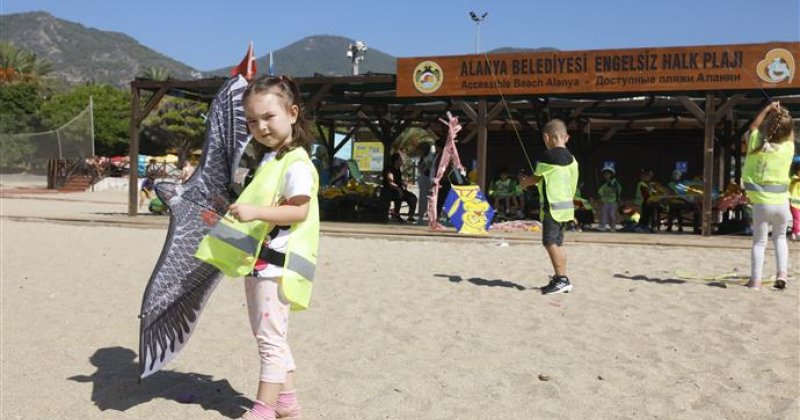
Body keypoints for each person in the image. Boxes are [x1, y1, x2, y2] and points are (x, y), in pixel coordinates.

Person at [225, 75, 320, 419]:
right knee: (270, 334)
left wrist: (254, 212)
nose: (260, 127)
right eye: (252, 120)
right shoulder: (270, 159)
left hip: (277, 265)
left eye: (268, 117)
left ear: (292, 113)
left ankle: (263, 409)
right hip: (260, 262)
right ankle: (287, 402)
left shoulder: (296, 163)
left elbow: (299, 209)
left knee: (269, 340)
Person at [518, 119, 579, 295]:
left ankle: (562, 280)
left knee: (550, 242)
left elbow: (535, 179)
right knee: (558, 243)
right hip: (567, 208)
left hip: (552, 208)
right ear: (566, 137)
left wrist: (523, 183)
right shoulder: (573, 160)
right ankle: (561, 277)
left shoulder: (547, 157)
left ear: (546, 137)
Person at [742, 101, 795, 290]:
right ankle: (782, 274)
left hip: (762, 203)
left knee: (759, 242)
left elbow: (753, 126)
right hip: (782, 203)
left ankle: (755, 281)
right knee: (780, 239)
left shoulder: (756, 145)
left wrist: (768, 108)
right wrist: (783, 116)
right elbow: (790, 136)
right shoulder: (788, 149)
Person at [382, 153, 417, 223]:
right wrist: (399, 189)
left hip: (398, 189)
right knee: (399, 196)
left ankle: (410, 216)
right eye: (400, 159)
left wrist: (403, 183)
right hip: (389, 190)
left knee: (413, 198)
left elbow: (398, 180)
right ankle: (396, 214)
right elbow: (390, 181)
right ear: (396, 161)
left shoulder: (398, 169)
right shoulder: (389, 169)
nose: (401, 161)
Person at [416, 142, 435, 225]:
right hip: (424, 177)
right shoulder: (422, 157)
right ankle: (421, 216)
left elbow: (431, 166)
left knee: (431, 197)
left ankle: (431, 216)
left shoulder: (432, 156)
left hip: (430, 178)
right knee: (423, 198)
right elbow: (420, 168)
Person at [597, 166, 621, 231]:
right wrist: (601, 198)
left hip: (613, 202)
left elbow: (616, 189)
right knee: (604, 213)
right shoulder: (604, 184)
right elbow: (600, 192)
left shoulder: (615, 182)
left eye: (608, 174)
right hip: (606, 202)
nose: (606, 175)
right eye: (605, 174)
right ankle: (602, 226)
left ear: (612, 175)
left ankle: (613, 227)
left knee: (612, 214)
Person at [790, 161, 800, 241]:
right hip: (794, 203)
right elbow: (795, 180)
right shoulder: (794, 179)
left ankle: (794, 232)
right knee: (797, 218)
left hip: (797, 203)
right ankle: (796, 232)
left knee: (797, 218)